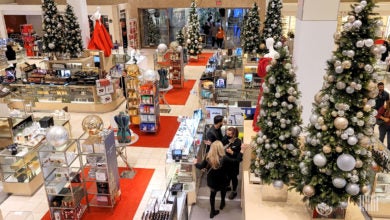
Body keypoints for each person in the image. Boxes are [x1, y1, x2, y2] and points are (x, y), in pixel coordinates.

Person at [195, 141, 248, 218]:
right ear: (220, 148)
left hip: (211, 181)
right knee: (223, 191)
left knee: (212, 195)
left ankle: (212, 211)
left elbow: (200, 166)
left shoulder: (208, 157)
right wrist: (242, 150)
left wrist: (195, 163)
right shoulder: (224, 158)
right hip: (223, 181)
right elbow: (236, 161)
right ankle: (222, 203)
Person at [253, 37, 279, 131]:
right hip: (276, 84)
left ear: (268, 44)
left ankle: (262, 123)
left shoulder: (265, 57)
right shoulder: (277, 55)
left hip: (265, 83)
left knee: (263, 102)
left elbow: (260, 73)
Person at [221, 127, 242, 200]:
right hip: (226, 162)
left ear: (234, 135)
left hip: (234, 163)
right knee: (226, 175)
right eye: (227, 133)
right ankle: (228, 186)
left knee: (234, 177)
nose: (227, 135)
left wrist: (232, 152)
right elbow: (221, 144)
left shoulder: (238, 142)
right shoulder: (225, 138)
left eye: (229, 134)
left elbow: (239, 155)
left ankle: (234, 191)